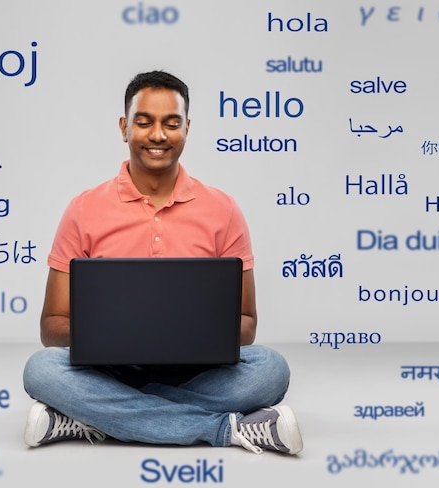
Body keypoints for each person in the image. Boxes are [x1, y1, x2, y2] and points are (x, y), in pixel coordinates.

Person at [22, 70, 303, 455]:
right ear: (124, 128)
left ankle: (95, 417)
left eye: (171, 124)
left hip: (197, 372)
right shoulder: (83, 210)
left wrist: (189, 336)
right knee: (41, 370)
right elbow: (52, 324)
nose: (158, 135)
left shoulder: (223, 210)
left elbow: (247, 323)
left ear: (187, 129)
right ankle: (224, 429)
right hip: (107, 370)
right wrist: (112, 338)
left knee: (270, 368)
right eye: (144, 122)